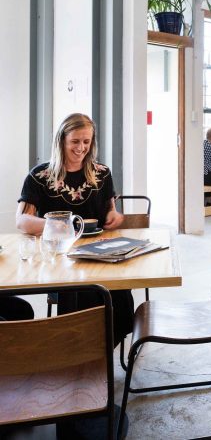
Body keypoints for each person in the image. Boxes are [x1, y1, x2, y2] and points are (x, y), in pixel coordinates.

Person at [16, 112, 133, 344]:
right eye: (75, 141)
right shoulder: (40, 176)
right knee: (83, 291)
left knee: (119, 291)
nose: (81, 148)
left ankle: (102, 347)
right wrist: (57, 226)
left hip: (99, 255)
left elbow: (110, 210)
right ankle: (79, 348)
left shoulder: (102, 174)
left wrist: (113, 215)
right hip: (60, 259)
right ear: (61, 141)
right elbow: (22, 221)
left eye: (86, 142)